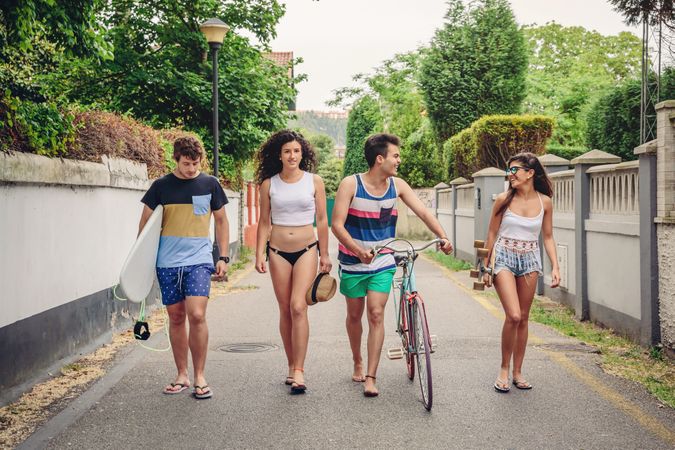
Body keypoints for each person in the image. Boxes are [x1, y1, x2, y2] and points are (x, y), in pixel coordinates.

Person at [331, 133, 453, 397]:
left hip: (383, 260)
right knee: (354, 316)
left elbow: (422, 211)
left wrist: (442, 235)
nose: (399, 160)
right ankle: (357, 360)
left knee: (376, 314)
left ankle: (371, 377)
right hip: (352, 261)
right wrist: (358, 251)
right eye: (395, 155)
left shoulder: (397, 186)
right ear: (379, 159)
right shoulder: (350, 185)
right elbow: (337, 225)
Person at [138, 136, 229, 400]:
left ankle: (200, 376)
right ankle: (182, 374)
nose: (192, 169)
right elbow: (144, 225)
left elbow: (221, 221)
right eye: (187, 164)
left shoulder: (210, 184)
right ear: (175, 159)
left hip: (199, 261)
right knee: (176, 317)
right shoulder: (161, 187)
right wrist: (141, 264)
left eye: (196, 164)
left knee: (197, 315)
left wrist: (222, 256)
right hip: (167, 262)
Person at [254, 129, 332, 395]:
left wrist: (325, 254)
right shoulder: (269, 184)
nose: (292, 155)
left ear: (303, 154)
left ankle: (299, 369)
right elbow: (264, 222)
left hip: (307, 249)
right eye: (287, 151)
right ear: (279, 154)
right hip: (277, 252)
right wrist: (258, 254)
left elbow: (322, 220)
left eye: (296, 151)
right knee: (285, 308)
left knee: (299, 306)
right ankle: (290, 365)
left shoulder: (314, 181)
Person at [483, 152, 560, 393]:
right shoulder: (503, 200)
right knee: (514, 315)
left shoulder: (545, 202)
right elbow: (491, 235)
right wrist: (485, 267)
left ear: (530, 173)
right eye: (509, 170)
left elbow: (547, 236)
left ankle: (518, 371)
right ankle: (504, 369)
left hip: (530, 260)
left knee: (524, 317)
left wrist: (555, 266)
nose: (510, 174)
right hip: (503, 257)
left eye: (515, 169)